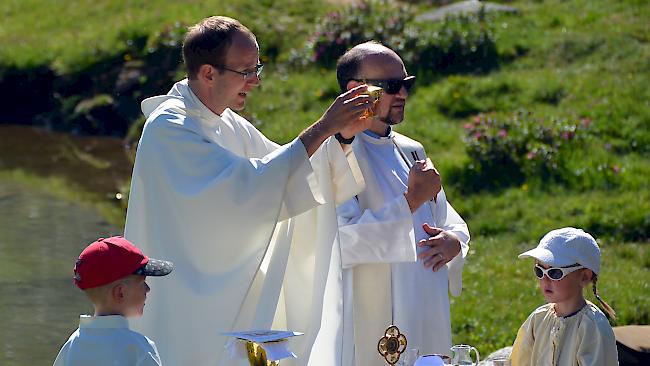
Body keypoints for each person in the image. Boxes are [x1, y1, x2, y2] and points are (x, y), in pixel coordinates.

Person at [124, 16, 373, 365]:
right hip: (185, 298)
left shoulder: (226, 121)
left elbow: (287, 168)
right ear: (208, 73)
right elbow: (246, 190)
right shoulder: (170, 127)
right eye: (245, 71)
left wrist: (340, 135)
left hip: (223, 295)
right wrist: (324, 126)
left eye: (257, 68)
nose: (255, 81)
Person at [334, 41, 471, 366]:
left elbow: (447, 220)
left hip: (426, 310)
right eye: (393, 86)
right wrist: (410, 201)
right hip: (371, 319)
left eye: (406, 84)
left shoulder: (412, 150)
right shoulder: (337, 153)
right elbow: (340, 242)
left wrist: (455, 243)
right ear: (357, 90)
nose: (403, 94)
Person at [53, 236, 174, 366]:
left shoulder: (71, 347)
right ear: (120, 293)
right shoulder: (139, 348)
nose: (148, 289)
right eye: (142, 282)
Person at [510, 227, 618, 366]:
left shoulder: (592, 328)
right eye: (539, 270)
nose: (545, 280)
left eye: (555, 273)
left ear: (584, 276)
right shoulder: (538, 319)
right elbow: (517, 362)